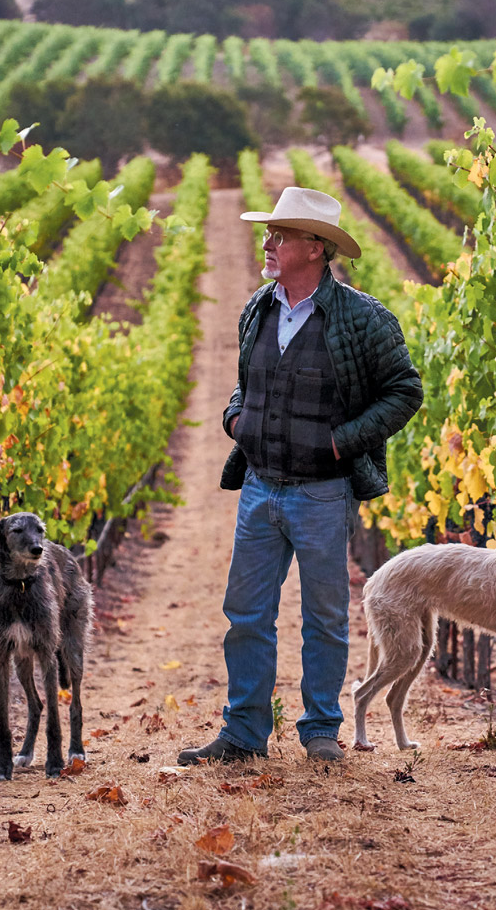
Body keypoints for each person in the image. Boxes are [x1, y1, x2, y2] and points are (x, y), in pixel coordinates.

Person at [177, 186, 423, 766]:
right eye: (271, 232)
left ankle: (319, 729)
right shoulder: (257, 309)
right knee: (246, 614)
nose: (268, 242)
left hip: (321, 493)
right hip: (260, 487)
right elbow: (249, 381)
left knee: (325, 618)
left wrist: (344, 440)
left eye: (280, 234)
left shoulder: (364, 319)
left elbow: (405, 391)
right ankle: (243, 733)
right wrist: (235, 417)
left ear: (316, 248)